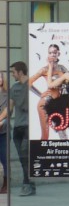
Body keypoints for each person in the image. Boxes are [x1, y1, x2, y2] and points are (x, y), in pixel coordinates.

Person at [7, 62, 34, 196]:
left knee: (24, 154)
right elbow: (9, 108)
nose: (12, 75)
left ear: (20, 72)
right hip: (17, 127)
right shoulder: (14, 88)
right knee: (23, 158)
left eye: (13, 72)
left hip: (28, 126)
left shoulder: (31, 85)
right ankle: (29, 182)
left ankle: (26, 184)